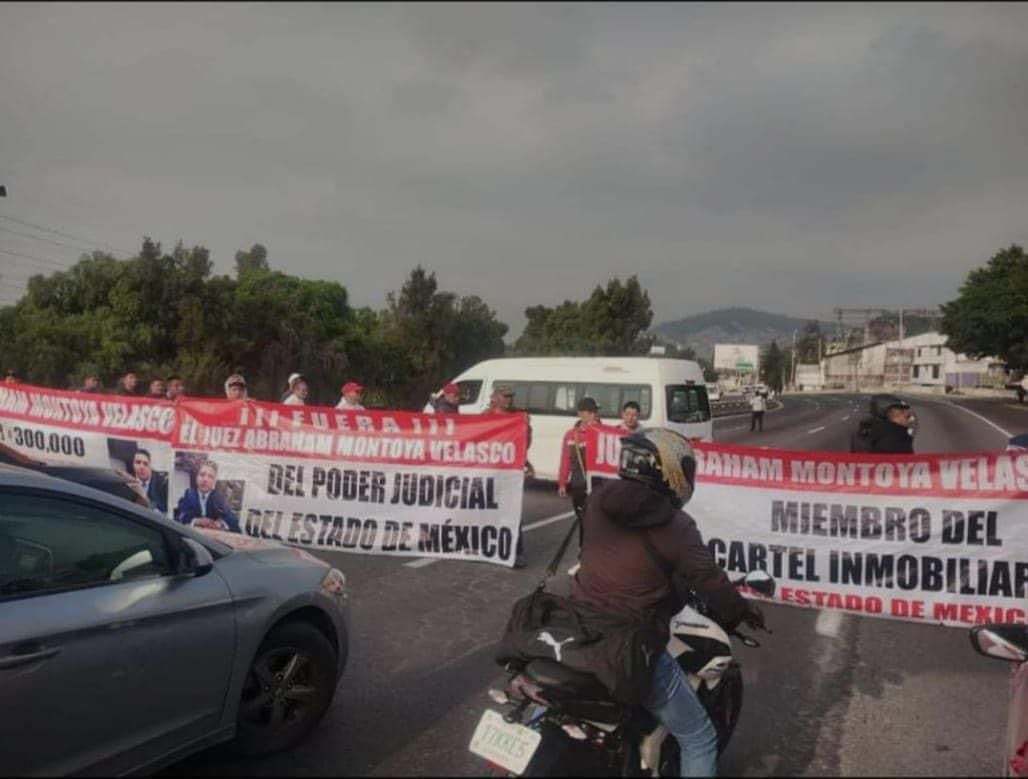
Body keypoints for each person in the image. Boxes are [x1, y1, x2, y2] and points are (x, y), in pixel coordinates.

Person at [570, 428, 764, 778]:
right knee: (699, 738)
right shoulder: (676, 524)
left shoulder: (598, 499)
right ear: (669, 471)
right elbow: (708, 579)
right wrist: (742, 611)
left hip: (577, 626)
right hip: (629, 643)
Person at [487, 384, 532, 568]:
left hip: (510, 473)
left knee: (512, 513)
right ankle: (488, 547)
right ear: (495, 397)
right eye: (505, 396)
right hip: (490, 472)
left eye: (510, 396)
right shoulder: (484, 418)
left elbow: (525, 444)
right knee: (488, 512)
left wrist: (527, 428)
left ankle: (515, 551)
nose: (508, 400)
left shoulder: (518, 418)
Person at [558, 396, 602, 547]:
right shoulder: (571, 435)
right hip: (579, 484)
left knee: (598, 519)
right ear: (582, 414)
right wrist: (562, 483)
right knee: (583, 519)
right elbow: (565, 460)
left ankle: (595, 551)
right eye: (590, 412)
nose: (594, 415)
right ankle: (583, 551)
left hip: (599, 485)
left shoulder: (604, 433)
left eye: (595, 412)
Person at [174, 459, 240, 532]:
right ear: (196, 477)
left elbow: (233, 521)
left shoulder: (219, 497)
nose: (205, 479)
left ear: (214, 481)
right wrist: (197, 521)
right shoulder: (189, 494)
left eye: (210, 476)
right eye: (202, 475)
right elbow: (180, 515)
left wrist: (220, 523)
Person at [131, 448, 167, 514]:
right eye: (138, 462)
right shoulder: (128, 480)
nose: (141, 467)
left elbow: (163, 514)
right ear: (133, 464)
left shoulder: (162, 483)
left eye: (145, 463)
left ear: (150, 465)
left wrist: (145, 498)